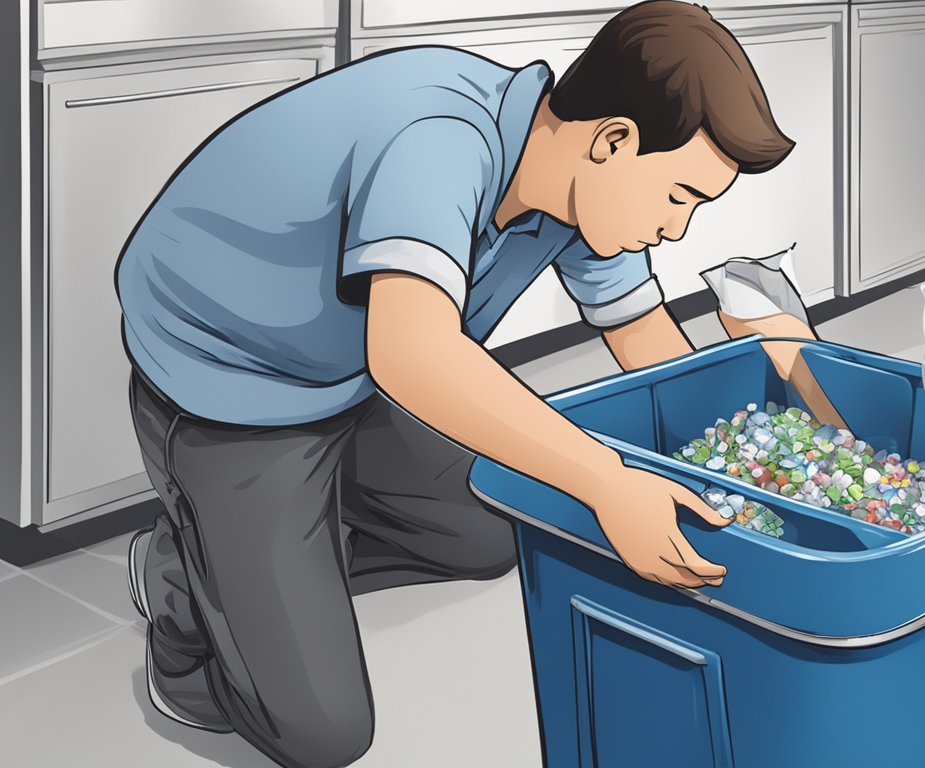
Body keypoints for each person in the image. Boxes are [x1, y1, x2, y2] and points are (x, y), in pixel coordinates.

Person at [113, 2, 801, 766]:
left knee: (499, 529)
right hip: (233, 386)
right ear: (613, 139)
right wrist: (609, 480)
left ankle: (271, 563)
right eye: (680, 198)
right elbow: (412, 354)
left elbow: (642, 337)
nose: (677, 230)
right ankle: (185, 583)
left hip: (350, 379)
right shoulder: (443, 140)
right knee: (322, 734)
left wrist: (742, 465)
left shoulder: (582, 190)